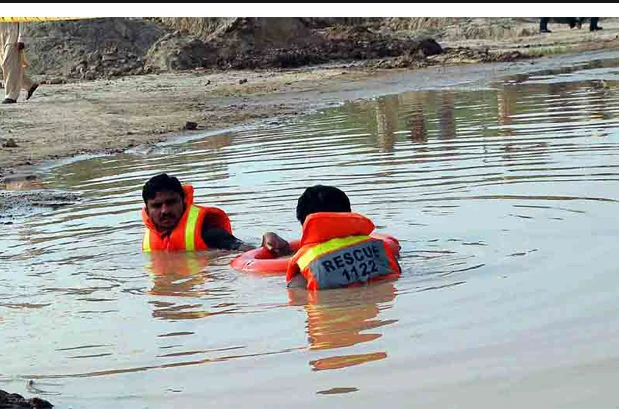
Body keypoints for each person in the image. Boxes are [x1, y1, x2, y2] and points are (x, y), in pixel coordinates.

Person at [285, 185, 401, 291]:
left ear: (305, 224)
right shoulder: (378, 248)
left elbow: (296, 292)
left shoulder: (308, 264)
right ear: (348, 214)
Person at [141, 173, 290, 253]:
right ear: (147, 210)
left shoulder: (207, 232)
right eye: (157, 205)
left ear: (184, 202)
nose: (165, 210)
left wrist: (269, 241)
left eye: (171, 202)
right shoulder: (150, 238)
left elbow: (250, 251)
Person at [0, 22, 39, 104]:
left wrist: (21, 39)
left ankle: (11, 96)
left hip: (13, 33)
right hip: (1, 32)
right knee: (8, 66)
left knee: (7, 63)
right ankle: (29, 85)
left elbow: (23, 19)